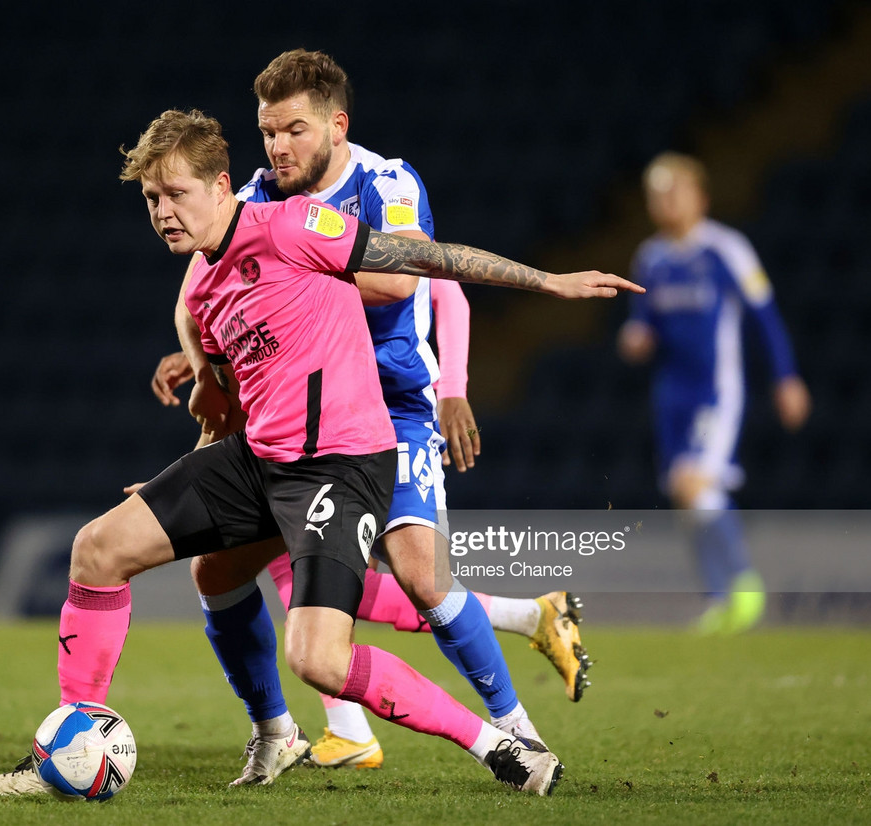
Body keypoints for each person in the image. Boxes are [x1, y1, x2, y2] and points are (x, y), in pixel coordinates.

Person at [0, 108, 640, 797]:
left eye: (176, 195)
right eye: (151, 201)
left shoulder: (290, 227)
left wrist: (549, 281)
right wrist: (186, 471)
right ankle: (109, 740)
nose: (163, 213)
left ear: (222, 185)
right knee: (104, 551)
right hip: (263, 459)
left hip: (342, 465)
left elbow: (420, 257)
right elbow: (230, 403)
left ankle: (501, 746)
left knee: (318, 656)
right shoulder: (203, 285)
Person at [147, 50, 590, 776]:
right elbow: (197, 288)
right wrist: (208, 359)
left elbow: (423, 269)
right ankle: (326, 728)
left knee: (420, 573)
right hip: (299, 417)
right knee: (241, 572)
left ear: (335, 125)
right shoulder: (258, 196)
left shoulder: (386, 183)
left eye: (293, 129)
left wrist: (454, 382)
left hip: (390, 409)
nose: (278, 148)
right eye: (267, 132)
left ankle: (517, 727)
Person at [617, 151, 810, 634]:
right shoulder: (651, 257)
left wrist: (786, 377)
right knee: (686, 499)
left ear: (700, 196)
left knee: (694, 483)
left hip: (715, 392)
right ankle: (720, 599)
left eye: (674, 190)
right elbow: (644, 325)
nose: (665, 201)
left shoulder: (726, 249)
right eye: (657, 194)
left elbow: (766, 317)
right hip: (671, 397)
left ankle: (743, 586)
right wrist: (636, 338)